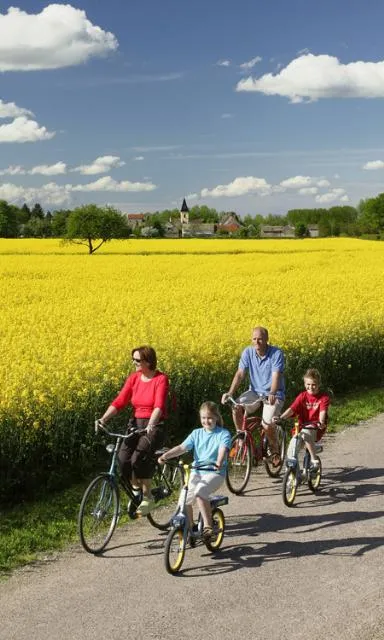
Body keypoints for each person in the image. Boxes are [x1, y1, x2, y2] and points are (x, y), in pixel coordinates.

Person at [97, 345, 169, 515]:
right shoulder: (134, 378)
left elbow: (158, 406)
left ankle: (147, 497)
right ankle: (136, 491)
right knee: (123, 459)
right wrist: (103, 419)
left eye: (137, 360)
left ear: (148, 361)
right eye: (133, 360)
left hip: (155, 424)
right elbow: (120, 401)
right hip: (136, 422)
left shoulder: (161, 379)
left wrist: (151, 424)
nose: (134, 363)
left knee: (138, 458)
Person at [158, 401, 231, 541]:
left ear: (216, 417)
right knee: (183, 500)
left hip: (214, 472)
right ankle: (191, 528)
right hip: (197, 471)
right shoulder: (196, 433)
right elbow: (182, 448)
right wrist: (165, 456)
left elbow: (223, 449)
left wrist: (219, 462)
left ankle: (208, 527)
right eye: (203, 418)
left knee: (200, 491)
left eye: (209, 418)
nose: (206, 421)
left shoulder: (223, 434)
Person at [221, 326, 285, 463]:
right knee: (236, 406)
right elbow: (240, 374)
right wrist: (230, 392)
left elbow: (276, 376)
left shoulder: (276, 353)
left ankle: (275, 449)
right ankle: (240, 440)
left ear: (267, 339)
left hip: (274, 394)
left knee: (267, 424)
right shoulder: (248, 352)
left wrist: (272, 392)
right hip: (255, 392)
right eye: (254, 339)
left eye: (260, 339)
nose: (257, 342)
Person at [274, 368, 330, 468]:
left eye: (314, 384)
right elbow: (292, 409)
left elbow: (323, 411)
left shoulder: (323, 398)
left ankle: (314, 460)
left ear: (318, 385)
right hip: (301, 427)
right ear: (305, 384)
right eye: (308, 384)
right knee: (292, 447)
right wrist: (281, 417)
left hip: (316, 427)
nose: (311, 387)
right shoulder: (302, 396)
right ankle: (292, 474)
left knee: (307, 433)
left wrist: (321, 422)